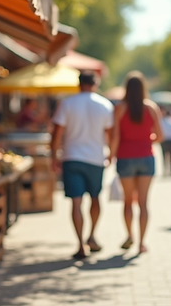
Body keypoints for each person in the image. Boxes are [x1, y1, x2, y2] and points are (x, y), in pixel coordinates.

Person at [51, 72, 114, 259]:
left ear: (79, 84)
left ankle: (80, 245)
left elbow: (57, 133)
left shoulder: (68, 104)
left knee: (76, 202)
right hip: (95, 158)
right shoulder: (104, 104)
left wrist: (53, 156)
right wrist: (111, 152)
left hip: (72, 157)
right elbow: (110, 133)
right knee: (95, 198)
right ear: (95, 84)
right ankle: (92, 236)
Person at [109, 72, 163, 253]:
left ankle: (130, 235)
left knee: (127, 201)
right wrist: (146, 141)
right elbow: (160, 135)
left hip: (125, 157)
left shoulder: (119, 109)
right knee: (143, 203)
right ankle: (142, 243)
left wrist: (111, 155)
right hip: (146, 157)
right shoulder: (151, 107)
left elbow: (115, 136)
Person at [158, 107, 171, 176]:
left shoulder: (162, 121)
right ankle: (170, 170)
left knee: (165, 155)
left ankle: (166, 170)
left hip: (165, 140)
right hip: (170, 140)